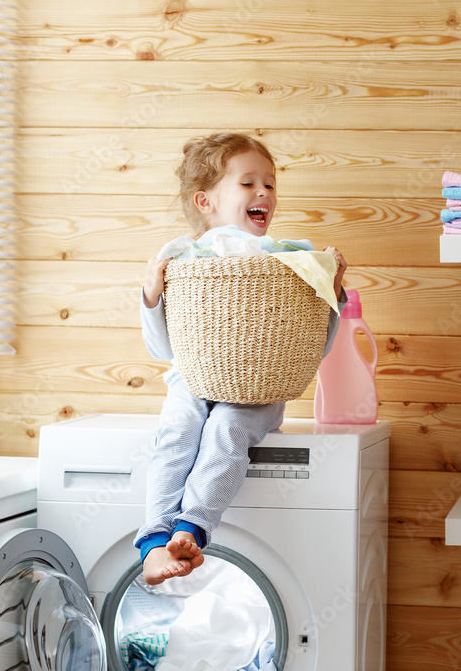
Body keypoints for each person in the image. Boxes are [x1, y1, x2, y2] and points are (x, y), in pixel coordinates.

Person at [134, 132, 348, 585]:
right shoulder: (187, 260)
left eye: (269, 184)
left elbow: (311, 347)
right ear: (206, 201)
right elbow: (165, 350)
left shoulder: (287, 259)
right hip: (191, 380)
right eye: (248, 184)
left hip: (258, 392)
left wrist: (333, 290)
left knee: (226, 431)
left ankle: (192, 527)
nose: (264, 193)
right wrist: (152, 295)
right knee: (175, 433)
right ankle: (154, 542)